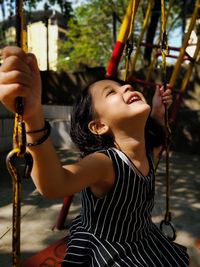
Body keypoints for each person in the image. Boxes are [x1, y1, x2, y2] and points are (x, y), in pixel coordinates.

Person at [0, 46, 189, 266]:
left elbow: (157, 145)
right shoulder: (105, 163)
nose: (126, 86)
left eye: (123, 86)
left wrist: (158, 111)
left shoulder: (146, 151)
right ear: (98, 126)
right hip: (111, 249)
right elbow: (55, 184)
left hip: (142, 238)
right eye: (111, 92)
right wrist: (33, 117)